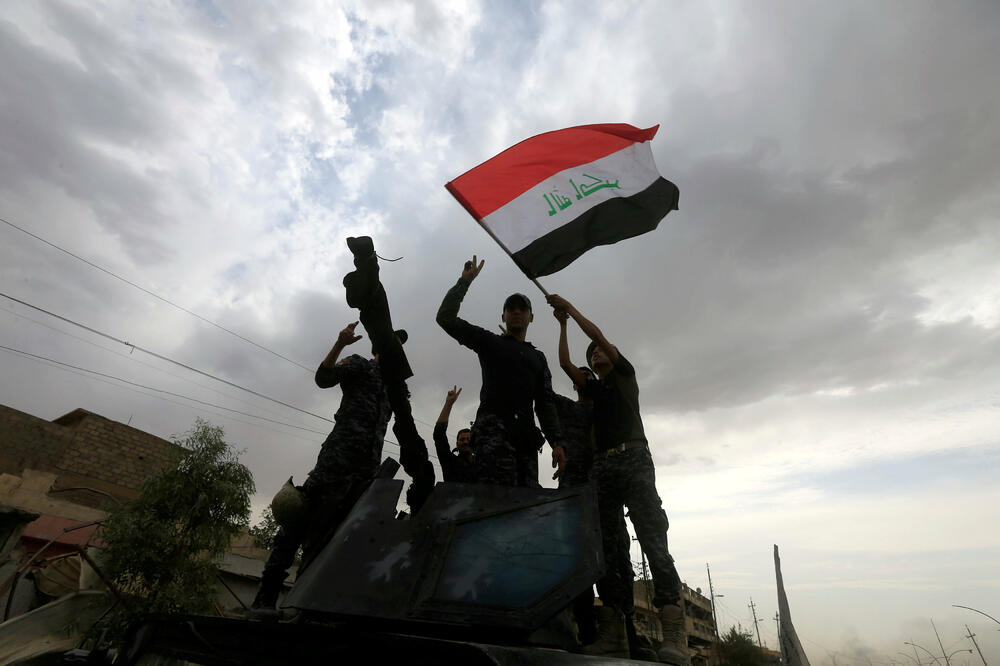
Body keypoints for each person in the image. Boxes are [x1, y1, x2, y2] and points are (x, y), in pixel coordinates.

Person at [548, 293, 688, 665]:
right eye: (592, 353)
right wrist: (561, 325)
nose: (596, 354)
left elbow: (596, 332)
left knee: (653, 537)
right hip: (603, 468)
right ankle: (617, 631)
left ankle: (674, 626)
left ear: (613, 354)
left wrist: (573, 311)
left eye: (601, 350)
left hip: (634, 459)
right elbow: (565, 364)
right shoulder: (593, 389)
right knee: (610, 549)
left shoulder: (625, 375)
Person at [252, 321, 394, 610]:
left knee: (333, 543)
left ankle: (305, 607)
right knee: (295, 525)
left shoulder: (394, 390)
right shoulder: (360, 366)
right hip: (335, 465)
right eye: (392, 344)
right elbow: (324, 378)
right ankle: (265, 599)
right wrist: (340, 343)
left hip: (363, 477)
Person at [436, 255, 566, 487]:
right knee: (495, 502)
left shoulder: (538, 358)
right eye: (511, 308)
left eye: (522, 308)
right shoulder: (490, 342)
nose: (516, 312)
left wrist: (556, 441)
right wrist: (464, 282)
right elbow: (445, 318)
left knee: (525, 507)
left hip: (525, 440)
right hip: (493, 436)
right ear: (503, 317)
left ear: (531, 317)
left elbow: (545, 404)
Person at [433, 385, 477, 483]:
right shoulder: (450, 462)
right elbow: (439, 435)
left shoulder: (482, 465)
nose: (465, 442)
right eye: (462, 439)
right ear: (457, 444)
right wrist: (448, 404)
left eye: (468, 439)